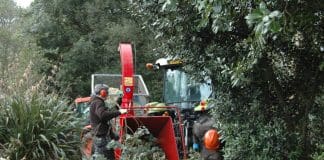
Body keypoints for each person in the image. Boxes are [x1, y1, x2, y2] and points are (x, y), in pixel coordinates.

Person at [90, 84, 127, 160]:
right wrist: (119, 112)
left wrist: (113, 136)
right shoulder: (98, 102)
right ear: (102, 92)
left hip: (102, 137)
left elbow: (105, 117)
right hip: (102, 138)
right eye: (106, 92)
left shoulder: (96, 102)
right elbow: (103, 115)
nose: (107, 94)